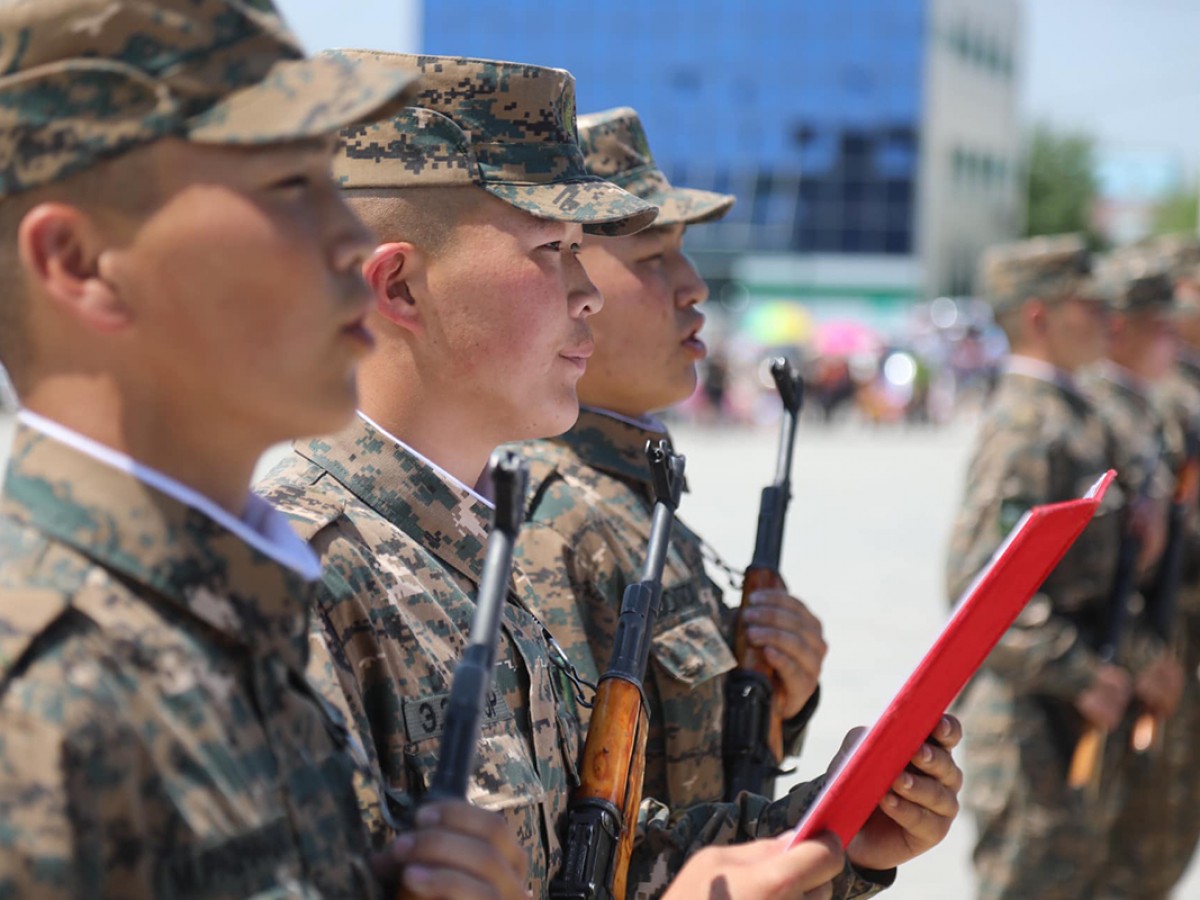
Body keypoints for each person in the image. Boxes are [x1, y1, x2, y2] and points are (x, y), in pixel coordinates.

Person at [258, 53, 964, 899]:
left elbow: (589, 858)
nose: (586, 291)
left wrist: (832, 828)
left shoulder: (469, 545)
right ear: (400, 285)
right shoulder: (299, 578)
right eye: (552, 247)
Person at [0, 4, 528, 898]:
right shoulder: (42, 702)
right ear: (81, 262)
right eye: (288, 185)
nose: (353, 240)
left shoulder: (231, 624)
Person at [511, 107, 824, 814]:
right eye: (653, 258)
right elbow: (578, 828)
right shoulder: (548, 516)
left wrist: (780, 699)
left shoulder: (626, 490)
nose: (694, 286)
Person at [945, 234, 1150, 900]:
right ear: (1039, 315)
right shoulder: (1028, 423)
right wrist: (1080, 671)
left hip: (1071, 712)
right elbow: (982, 583)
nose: (1107, 320)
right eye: (1087, 305)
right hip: (1033, 722)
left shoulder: (1069, 412)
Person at [1097, 238, 1200, 899]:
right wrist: (1139, 655)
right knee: (1127, 856)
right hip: (1140, 656)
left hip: (1170, 644)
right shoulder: (1142, 401)